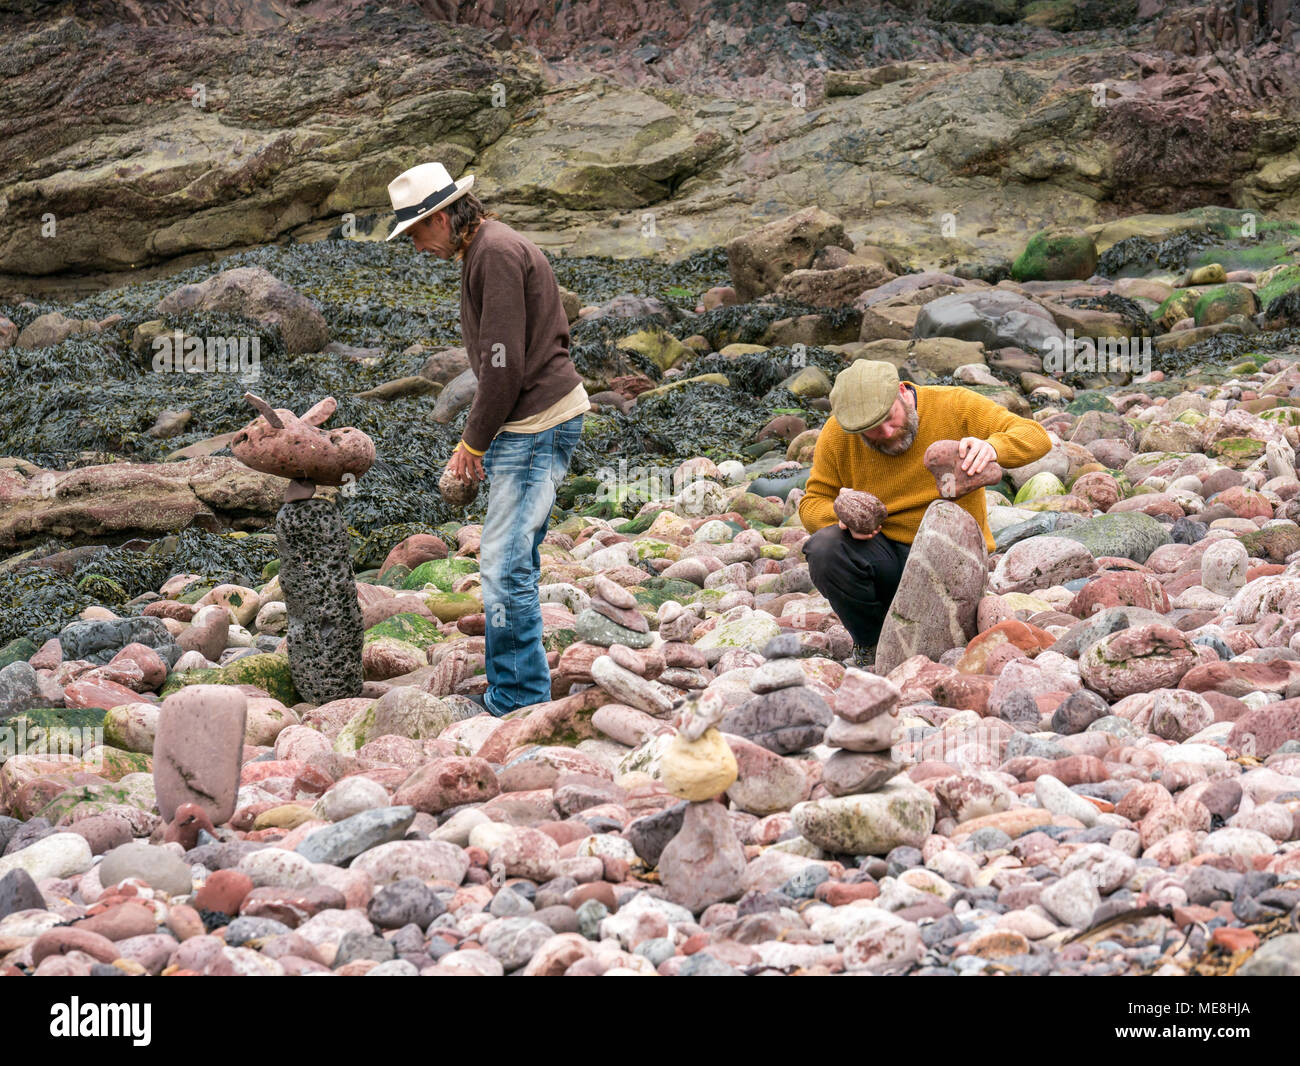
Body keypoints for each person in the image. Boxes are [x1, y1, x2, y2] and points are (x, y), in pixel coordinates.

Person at [387, 162, 589, 716]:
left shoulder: (494, 254)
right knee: (513, 560)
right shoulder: (485, 249)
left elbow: (502, 367)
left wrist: (472, 444)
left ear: (444, 216)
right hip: (534, 420)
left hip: (537, 423)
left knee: (503, 565)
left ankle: (519, 698)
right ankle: (517, 684)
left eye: (417, 232)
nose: (416, 246)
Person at [798, 359, 1051, 668]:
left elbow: (1036, 436)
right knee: (824, 548)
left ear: (902, 392)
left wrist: (992, 447)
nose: (887, 432)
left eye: (889, 418)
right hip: (884, 557)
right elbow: (812, 502)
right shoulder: (839, 433)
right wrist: (842, 518)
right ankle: (874, 644)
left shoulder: (954, 404)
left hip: (951, 556)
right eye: (871, 431)